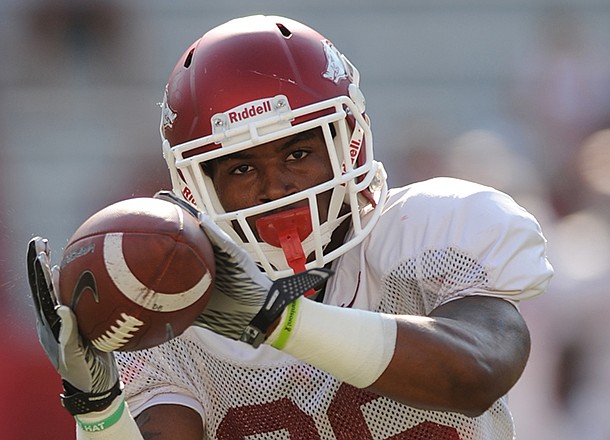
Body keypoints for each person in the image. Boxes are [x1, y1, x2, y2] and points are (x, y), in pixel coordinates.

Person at [27, 15, 553, 439]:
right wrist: (98, 412)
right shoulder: (181, 305)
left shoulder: (427, 230)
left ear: (347, 143)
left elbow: (480, 371)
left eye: (297, 153)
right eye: (241, 167)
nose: (275, 186)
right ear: (197, 187)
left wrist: (279, 320)